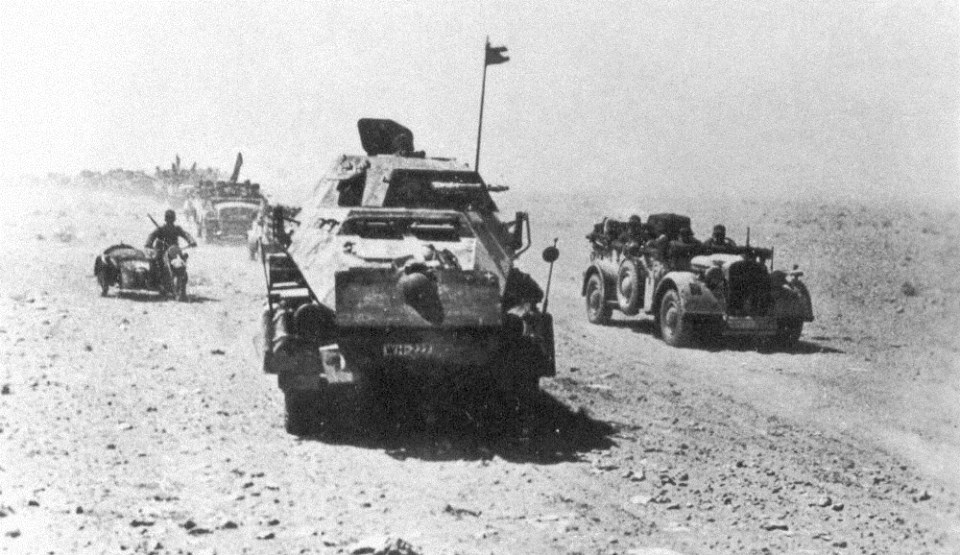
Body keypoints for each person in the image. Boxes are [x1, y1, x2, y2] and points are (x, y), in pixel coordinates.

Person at [145, 209, 197, 289]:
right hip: (161, 250)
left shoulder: (177, 229)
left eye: (171, 218)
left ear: (174, 219)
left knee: (182, 261)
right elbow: (152, 235)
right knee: (155, 262)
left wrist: (191, 241)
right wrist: (148, 243)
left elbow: (185, 234)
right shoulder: (161, 229)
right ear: (165, 219)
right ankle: (153, 282)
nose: (170, 220)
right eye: (168, 218)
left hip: (174, 251)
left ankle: (182, 279)